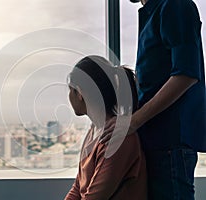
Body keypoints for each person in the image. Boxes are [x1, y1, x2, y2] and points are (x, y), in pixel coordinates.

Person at [101, 0, 206, 199]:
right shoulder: (154, 12)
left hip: (170, 142)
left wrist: (134, 121)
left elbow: (186, 75)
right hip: (157, 141)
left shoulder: (175, 5)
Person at [64, 55, 147, 200]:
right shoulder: (93, 131)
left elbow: (94, 197)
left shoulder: (117, 138)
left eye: (70, 90)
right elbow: (78, 188)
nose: (69, 95)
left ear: (80, 93)